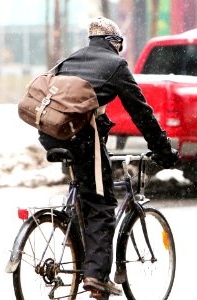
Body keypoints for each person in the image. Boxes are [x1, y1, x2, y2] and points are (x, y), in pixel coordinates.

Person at [38, 16, 179, 297]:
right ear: (115, 43)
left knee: (86, 192)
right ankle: (96, 277)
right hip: (82, 139)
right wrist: (163, 150)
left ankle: (77, 244)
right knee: (102, 204)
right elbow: (142, 112)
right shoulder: (116, 66)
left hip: (53, 134)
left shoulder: (70, 60)